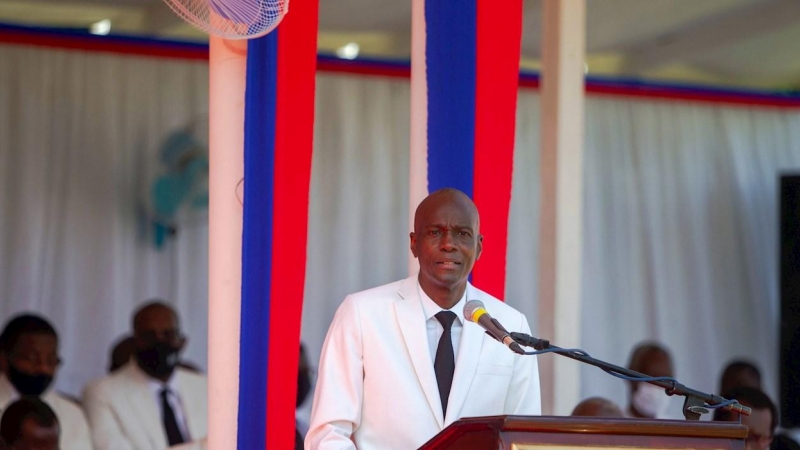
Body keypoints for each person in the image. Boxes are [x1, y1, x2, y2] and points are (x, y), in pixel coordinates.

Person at [306, 188, 541, 450]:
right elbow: (328, 435)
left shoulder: (510, 325)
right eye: (435, 232)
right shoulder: (362, 314)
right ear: (414, 243)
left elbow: (524, 438)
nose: (448, 244)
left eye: (462, 234)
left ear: (479, 247)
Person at [83, 301, 207, 450]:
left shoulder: (206, 386)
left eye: (168, 335)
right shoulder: (102, 392)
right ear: (134, 341)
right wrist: (203, 446)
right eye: (149, 336)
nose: (160, 342)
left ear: (181, 341)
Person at [0, 314, 92, 450]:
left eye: (51, 360)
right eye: (32, 359)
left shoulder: (73, 413)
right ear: (3, 359)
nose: (43, 368)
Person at [625, 342, 674, 419]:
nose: (660, 386)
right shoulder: (613, 427)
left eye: (666, 380)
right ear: (630, 378)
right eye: (653, 377)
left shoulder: (677, 429)